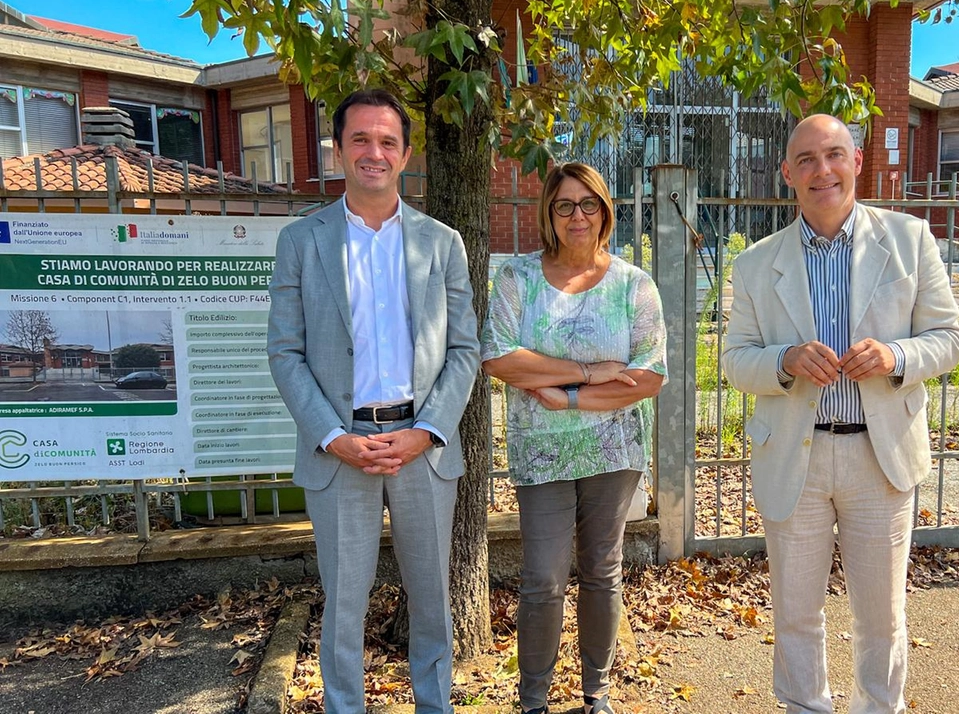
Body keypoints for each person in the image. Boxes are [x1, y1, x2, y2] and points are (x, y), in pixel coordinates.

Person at [722, 114, 959, 714]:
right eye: (805, 159)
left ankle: (878, 707)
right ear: (787, 174)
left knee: (881, 614)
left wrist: (896, 353)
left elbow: (949, 339)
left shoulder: (909, 240)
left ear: (857, 160)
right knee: (796, 611)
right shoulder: (755, 263)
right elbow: (733, 361)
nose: (821, 170)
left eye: (833, 154)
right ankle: (806, 706)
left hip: (878, 456)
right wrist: (785, 359)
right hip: (793, 458)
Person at [267, 89, 480, 714]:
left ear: (406, 153)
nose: (374, 152)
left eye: (387, 141)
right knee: (344, 605)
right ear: (338, 149)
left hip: (421, 447)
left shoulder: (442, 243)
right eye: (360, 139)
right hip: (341, 449)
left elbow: (465, 349)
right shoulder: (302, 242)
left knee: (432, 599)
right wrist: (333, 436)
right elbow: (286, 352)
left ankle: (433, 706)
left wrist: (428, 430)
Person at [481, 162, 667, 714]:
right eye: (565, 204)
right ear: (549, 213)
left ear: (605, 211)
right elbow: (500, 358)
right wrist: (590, 373)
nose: (577, 215)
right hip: (541, 449)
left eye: (589, 203)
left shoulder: (634, 284)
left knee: (602, 571)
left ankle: (596, 693)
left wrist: (563, 393)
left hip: (615, 450)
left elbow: (649, 377)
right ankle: (533, 699)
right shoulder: (517, 278)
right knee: (542, 577)